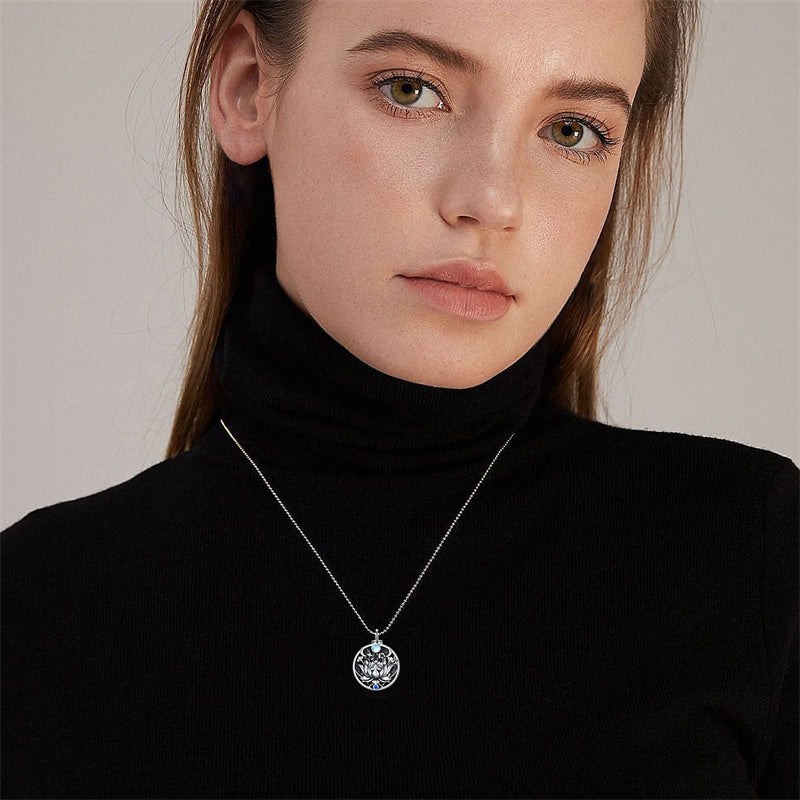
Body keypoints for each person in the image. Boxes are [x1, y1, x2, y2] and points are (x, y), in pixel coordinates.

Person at [2, 0, 797, 797]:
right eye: (412, 89)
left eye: (571, 130)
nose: (492, 201)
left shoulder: (748, 556)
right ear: (246, 88)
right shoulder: (35, 607)